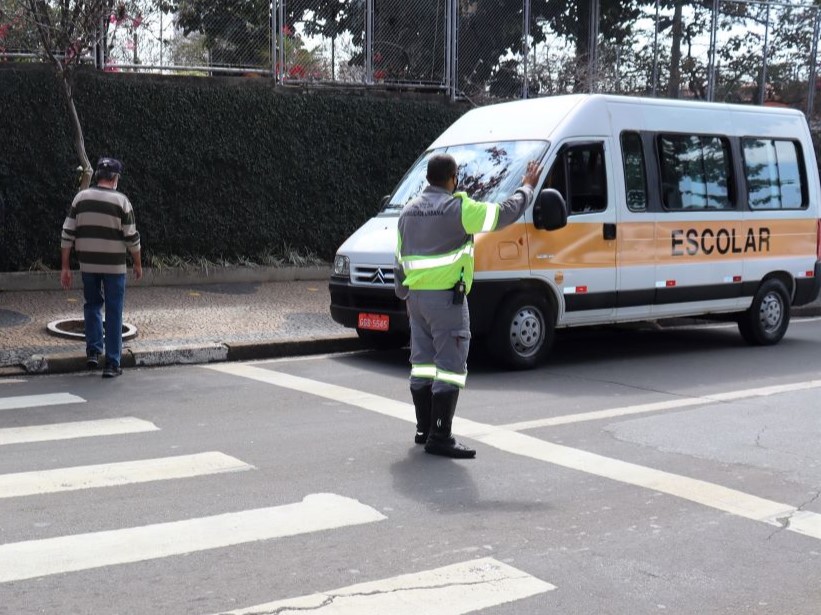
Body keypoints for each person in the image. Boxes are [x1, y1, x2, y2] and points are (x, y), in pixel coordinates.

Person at [394, 154, 543, 458]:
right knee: (449, 368)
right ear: (452, 178)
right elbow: (504, 213)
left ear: (427, 179)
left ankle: (424, 431)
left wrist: (405, 297)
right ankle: (441, 436)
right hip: (446, 300)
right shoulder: (458, 208)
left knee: (421, 364)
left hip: (417, 300)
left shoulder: (407, 211)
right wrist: (527, 187)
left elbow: (398, 260)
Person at [60, 157, 142, 378]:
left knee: (92, 305)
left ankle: (93, 353)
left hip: (88, 264)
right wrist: (137, 263)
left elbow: (67, 234)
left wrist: (65, 267)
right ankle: (112, 363)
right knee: (114, 311)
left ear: (97, 176)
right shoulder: (122, 201)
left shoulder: (80, 198)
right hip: (115, 267)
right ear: (115, 178)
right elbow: (132, 238)